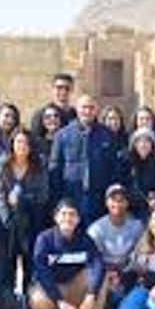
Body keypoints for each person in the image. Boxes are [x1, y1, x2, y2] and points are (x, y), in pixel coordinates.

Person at [29, 199, 109, 309]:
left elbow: (97, 264)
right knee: (37, 298)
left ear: (78, 219)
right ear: (56, 217)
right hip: (53, 288)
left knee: (102, 275)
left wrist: (91, 295)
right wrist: (59, 301)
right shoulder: (45, 239)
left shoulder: (85, 239)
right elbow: (41, 271)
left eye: (72, 214)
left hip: (74, 286)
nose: (68, 218)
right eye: (63, 214)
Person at [0, 129, 50, 309]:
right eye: (18, 142)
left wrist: (22, 199)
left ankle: (29, 304)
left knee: (29, 263)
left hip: (32, 221)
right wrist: (7, 219)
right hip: (8, 222)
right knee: (8, 264)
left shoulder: (39, 164)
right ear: (12, 144)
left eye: (26, 142)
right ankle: (9, 306)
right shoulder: (2, 164)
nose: (22, 146)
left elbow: (43, 195)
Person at [48, 94, 121, 226]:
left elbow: (114, 167)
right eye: (84, 107)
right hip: (71, 197)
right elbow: (55, 167)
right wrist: (57, 199)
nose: (87, 111)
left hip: (99, 198)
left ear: (96, 110)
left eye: (91, 107)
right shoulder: (63, 135)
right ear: (77, 109)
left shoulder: (107, 135)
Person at [87, 184, 145, 307]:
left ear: (127, 203)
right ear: (106, 203)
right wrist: (108, 273)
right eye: (113, 200)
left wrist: (125, 274)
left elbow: (140, 253)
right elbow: (93, 259)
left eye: (121, 200)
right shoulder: (96, 228)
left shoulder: (137, 226)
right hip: (104, 272)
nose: (117, 204)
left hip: (128, 271)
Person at [125, 127, 155, 219]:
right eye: (139, 141)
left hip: (151, 210)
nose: (143, 145)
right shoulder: (126, 162)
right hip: (129, 210)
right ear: (134, 144)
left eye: (147, 141)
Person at [30, 73, 78, 138]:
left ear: (72, 90)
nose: (63, 92)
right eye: (59, 88)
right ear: (52, 89)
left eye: (67, 88)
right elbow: (35, 140)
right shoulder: (41, 114)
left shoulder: (76, 115)